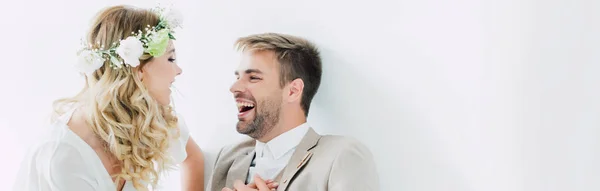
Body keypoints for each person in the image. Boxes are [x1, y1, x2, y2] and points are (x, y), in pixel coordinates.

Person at [13, 5, 204, 191]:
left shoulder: (151, 119)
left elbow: (193, 159)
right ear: (138, 70)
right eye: (171, 59)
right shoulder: (66, 155)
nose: (178, 71)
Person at [208, 33, 379, 191]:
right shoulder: (228, 157)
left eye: (253, 77)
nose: (234, 88)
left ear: (293, 91)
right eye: (238, 77)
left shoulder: (342, 156)